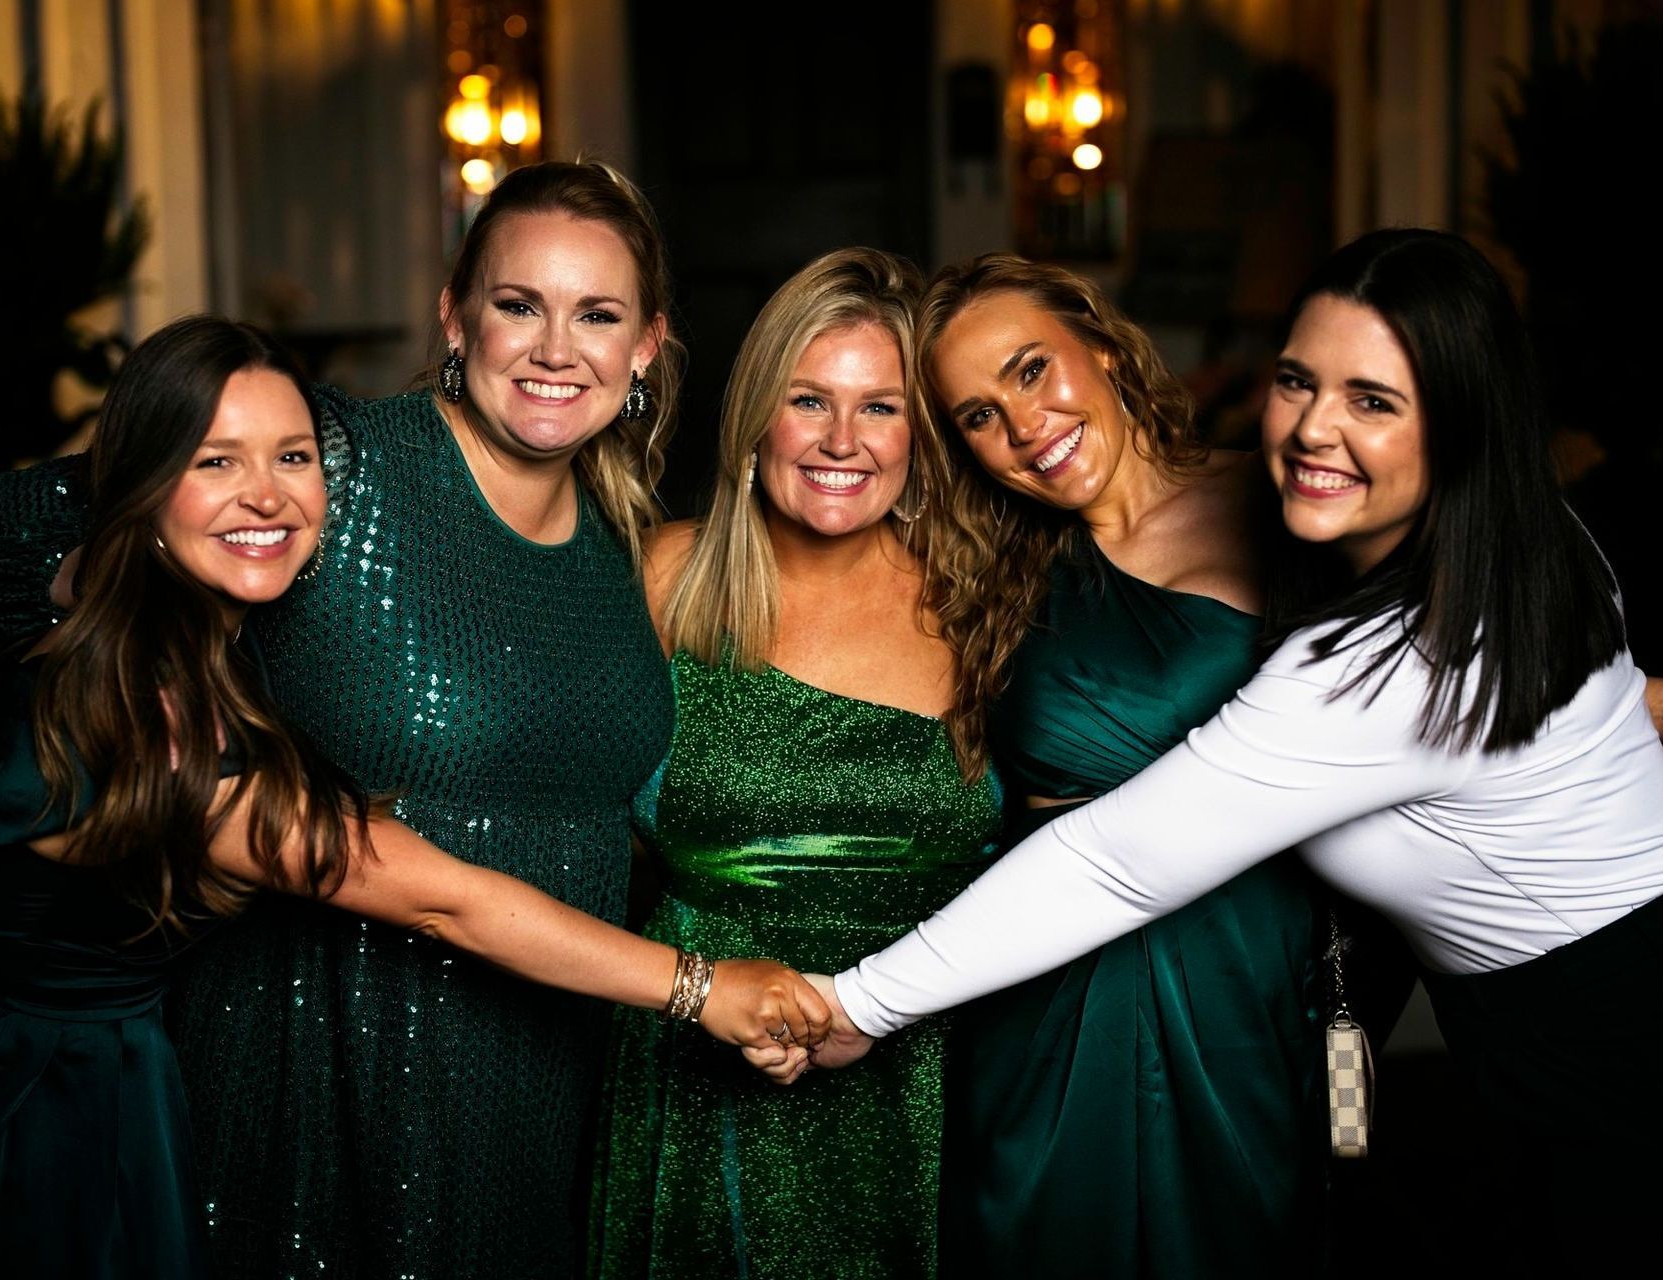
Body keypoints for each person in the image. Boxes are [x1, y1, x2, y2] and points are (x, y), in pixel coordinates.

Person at [0, 162, 815, 1278]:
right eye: (518, 305)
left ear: (645, 345)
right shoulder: (330, 460)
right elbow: (0, 531)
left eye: (595, 315)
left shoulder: (622, 537)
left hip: (548, 1064)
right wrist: (148, 616)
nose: (557, 349)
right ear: (454, 314)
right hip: (321, 1055)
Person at [796, 230, 1663, 1278]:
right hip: (1477, 1011)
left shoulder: (1385, 642)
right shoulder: (1515, 537)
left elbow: (1117, 855)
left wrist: (856, 1003)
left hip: (1565, 1022)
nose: (1314, 428)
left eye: (1371, 401)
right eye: (1296, 382)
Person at [587, 249, 1001, 1278]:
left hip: (931, 1071)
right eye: (806, 398)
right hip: (692, 1069)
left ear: (923, 434)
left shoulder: (983, 602)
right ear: (754, 418)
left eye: (881, 407)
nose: (840, 441)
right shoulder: (662, 576)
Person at [915, 253, 1329, 1276]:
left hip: (1243, 977)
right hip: (1057, 994)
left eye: (1028, 370)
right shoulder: (988, 571)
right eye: (974, 414)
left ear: (1096, 341)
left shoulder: (1291, 503)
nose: (1021, 427)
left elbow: (1459, 657)